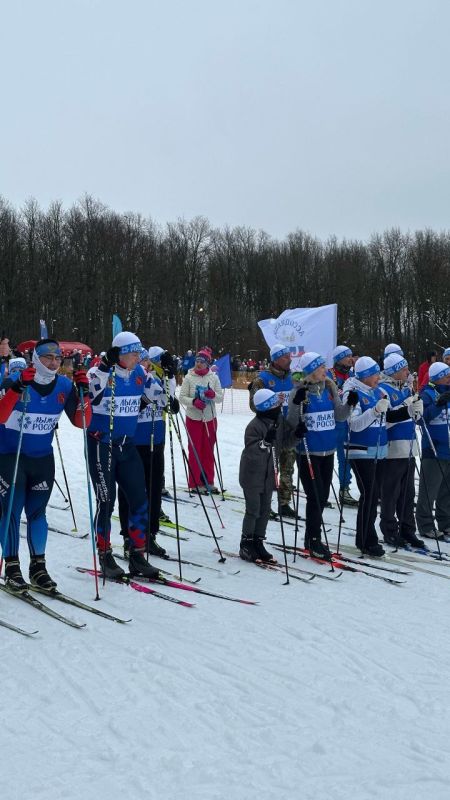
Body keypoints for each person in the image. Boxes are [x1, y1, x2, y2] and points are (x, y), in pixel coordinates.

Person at [0, 338, 91, 590]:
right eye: (47, 357)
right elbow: (0, 415)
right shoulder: (12, 381)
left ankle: (38, 567)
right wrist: (18, 388)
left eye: (57, 358)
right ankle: (12, 567)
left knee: (38, 514)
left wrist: (85, 394)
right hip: (11, 457)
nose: (53, 362)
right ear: (36, 359)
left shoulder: (63, 385)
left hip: (42, 460)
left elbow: (82, 422)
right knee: (11, 513)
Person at [87, 331, 162, 579]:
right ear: (119, 354)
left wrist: (166, 374)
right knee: (105, 502)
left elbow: (158, 398)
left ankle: (137, 554)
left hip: (127, 446)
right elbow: (92, 394)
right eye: (132, 353)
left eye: (139, 353)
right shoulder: (101, 373)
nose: (137, 358)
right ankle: (105, 554)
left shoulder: (139, 373)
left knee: (139, 499)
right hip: (102, 444)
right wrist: (104, 367)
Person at [342, 356, 419, 557]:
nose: (378, 377)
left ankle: (366, 538)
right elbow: (354, 424)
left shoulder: (379, 391)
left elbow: (388, 418)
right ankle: (367, 540)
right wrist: (375, 411)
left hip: (379, 450)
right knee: (368, 494)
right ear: (365, 376)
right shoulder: (353, 393)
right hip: (360, 451)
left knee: (372, 495)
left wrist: (409, 410)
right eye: (375, 374)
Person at [287, 352, 353, 559]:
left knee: (322, 497)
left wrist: (350, 403)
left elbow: (340, 416)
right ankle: (314, 540)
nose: (326, 370)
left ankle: (310, 536)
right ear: (312, 371)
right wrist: (297, 405)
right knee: (315, 496)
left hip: (328, 450)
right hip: (309, 451)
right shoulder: (299, 391)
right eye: (321, 367)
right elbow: (291, 422)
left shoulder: (330, 388)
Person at [117, 346, 179, 558]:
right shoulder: (128, 380)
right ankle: (129, 536)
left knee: (153, 489)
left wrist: (170, 376)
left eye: (147, 363)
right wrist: (145, 401)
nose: (145, 366)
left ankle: (150, 535)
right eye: (141, 362)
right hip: (133, 441)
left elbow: (167, 399)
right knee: (130, 492)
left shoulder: (153, 379)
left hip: (155, 440)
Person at [239, 389, 292, 563]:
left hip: (269, 475)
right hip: (252, 475)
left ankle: (258, 541)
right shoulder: (254, 426)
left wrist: (297, 435)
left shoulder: (277, 422)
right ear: (267, 407)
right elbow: (252, 451)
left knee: (265, 510)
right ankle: (246, 543)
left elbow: (284, 443)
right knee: (253, 510)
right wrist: (265, 443)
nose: (279, 406)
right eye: (276, 404)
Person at [379, 353, 424, 547]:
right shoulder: (383, 389)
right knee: (391, 492)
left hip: (408, 447)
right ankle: (389, 530)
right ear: (394, 371)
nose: (407, 372)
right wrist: (407, 408)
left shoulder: (405, 388)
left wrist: (417, 409)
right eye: (404, 369)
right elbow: (386, 418)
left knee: (408, 493)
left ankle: (408, 529)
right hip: (393, 448)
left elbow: (412, 416)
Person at [249, 343, 296, 517]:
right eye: (284, 357)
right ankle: (264, 504)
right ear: (275, 359)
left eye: (289, 356)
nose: (288, 360)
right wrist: (274, 401)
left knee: (288, 467)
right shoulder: (262, 379)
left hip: (289, 428)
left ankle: (284, 503)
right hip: (270, 429)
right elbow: (254, 405)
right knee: (268, 469)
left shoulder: (293, 377)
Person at [179, 347, 223, 493]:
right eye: (197, 360)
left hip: (210, 418)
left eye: (202, 361)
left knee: (208, 451)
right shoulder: (189, 377)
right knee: (195, 450)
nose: (199, 364)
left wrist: (212, 395)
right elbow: (182, 397)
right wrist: (193, 402)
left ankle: (208, 481)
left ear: (208, 363)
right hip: (194, 418)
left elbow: (220, 398)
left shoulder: (213, 377)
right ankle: (195, 483)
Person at [416, 361, 450, 539]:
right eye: (447, 376)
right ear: (437, 378)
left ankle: (445, 522)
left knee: (447, 490)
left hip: (448, 448)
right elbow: (421, 419)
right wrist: (438, 404)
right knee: (429, 490)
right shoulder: (427, 394)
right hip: (433, 449)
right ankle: (425, 524)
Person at [330, 345, 358, 507]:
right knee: (324, 456)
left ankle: (344, 488)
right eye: (346, 356)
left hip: (347, 421)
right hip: (331, 421)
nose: (350, 358)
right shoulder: (330, 374)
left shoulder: (353, 375)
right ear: (338, 358)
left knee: (345, 456)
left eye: (351, 356)